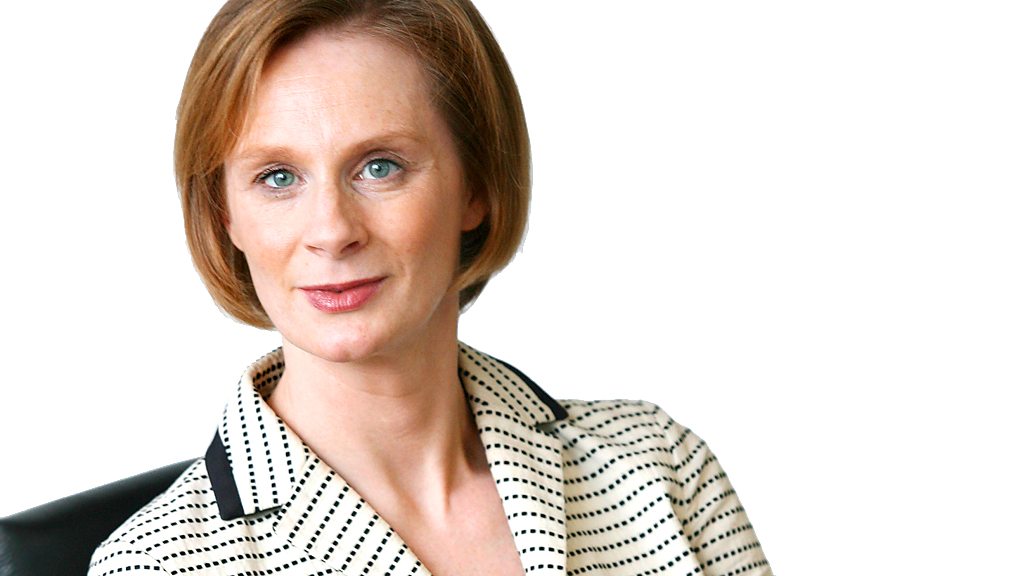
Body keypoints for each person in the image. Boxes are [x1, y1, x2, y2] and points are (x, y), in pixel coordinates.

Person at [89, 0, 771, 574]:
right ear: (225, 214)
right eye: (277, 177)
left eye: (379, 167)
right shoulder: (157, 565)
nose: (331, 231)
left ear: (476, 185)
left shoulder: (659, 468)